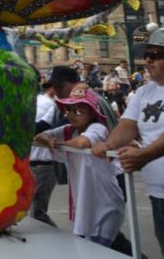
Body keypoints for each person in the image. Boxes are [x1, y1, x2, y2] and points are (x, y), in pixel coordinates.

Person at [93, 28, 164, 258]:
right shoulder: (144, 92)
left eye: (156, 54)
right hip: (158, 193)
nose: (147, 60)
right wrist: (108, 144)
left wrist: (144, 154)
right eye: (147, 54)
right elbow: (128, 125)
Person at [35, 86, 124, 248]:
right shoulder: (69, 130)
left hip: (105, 205)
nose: (71, 114)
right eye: (68, 110)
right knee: (99, 249)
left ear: (92, 112)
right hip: (84, 205)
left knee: (98, 250)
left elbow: (82, 143)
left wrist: (58, 143)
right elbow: (40, 136)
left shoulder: (98, 128)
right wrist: (47, 140)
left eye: (78, 110)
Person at [30, 81, 58, 226]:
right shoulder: (50, 104)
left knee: (36, 211)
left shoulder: (50, 104)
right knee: (36, 211)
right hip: (41, 161)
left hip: (41, 161)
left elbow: (39, 128)